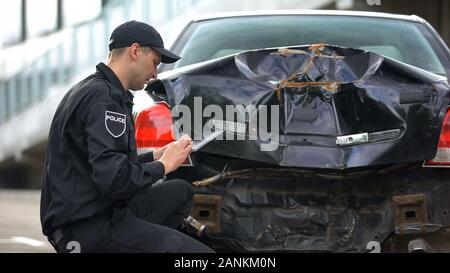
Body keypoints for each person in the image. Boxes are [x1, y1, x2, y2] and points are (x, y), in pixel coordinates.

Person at [40, 20, 214, 253]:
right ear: (135, 51)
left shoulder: (96, 90)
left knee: (181, 191)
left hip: (101, 211)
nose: (155, 74)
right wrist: (163, 165)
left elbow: (105, 166)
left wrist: (156, 155)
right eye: (155, 62)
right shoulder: (104, 101)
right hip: (86, 230)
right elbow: (113, 178)